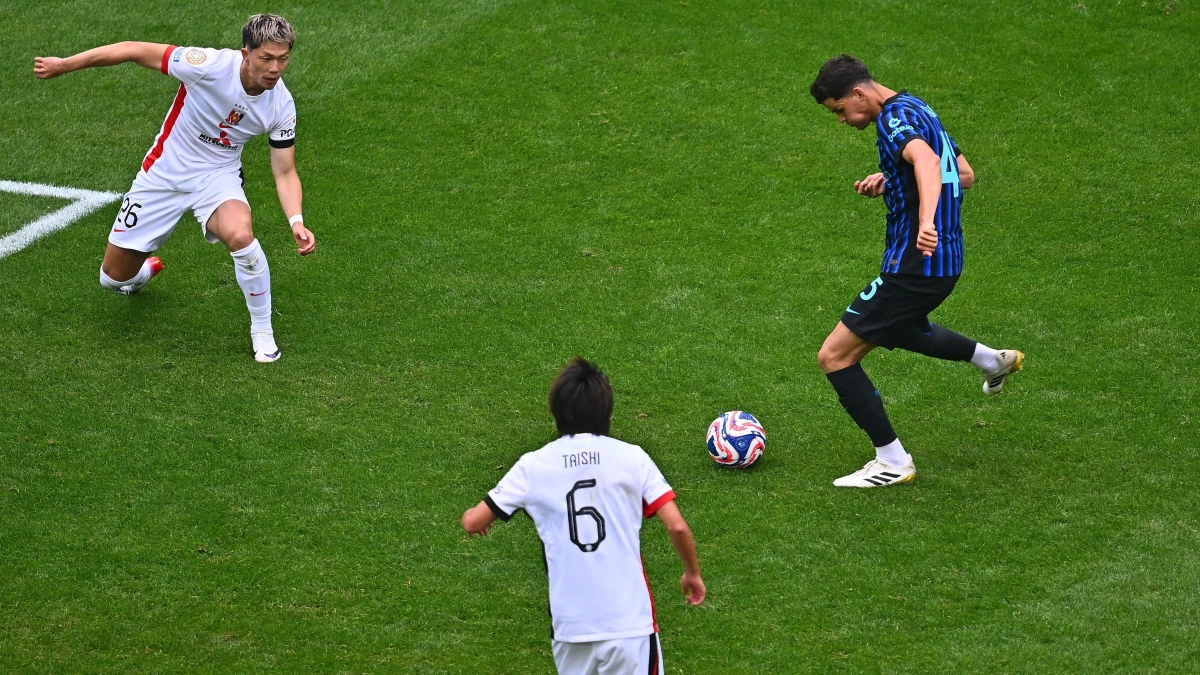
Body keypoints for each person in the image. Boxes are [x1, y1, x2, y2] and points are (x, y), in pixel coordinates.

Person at [33, 14, 315, 363]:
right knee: (112, 278)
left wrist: (296, 220)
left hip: (217, 176)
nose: (275, 68)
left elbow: (285, 171)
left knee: (241, 236)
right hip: (163, 175)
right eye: (266, 58)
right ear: (246, 54)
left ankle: (262, 332)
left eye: (283, 58)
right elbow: (132, 49)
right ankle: (143, 271)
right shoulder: (208, 65)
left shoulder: (281, 105)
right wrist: (65, 65)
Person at [809, 55, 1024, 488]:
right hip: (944, 265)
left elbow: (927, 163)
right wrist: (892, 176)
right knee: (896, 328)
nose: (841, 120)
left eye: (839, 110)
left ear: (858, 93)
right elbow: (962, 173)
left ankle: (892, 461)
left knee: (834, 356)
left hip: (912, 267)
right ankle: (993, 360)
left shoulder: (891, 121)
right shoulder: (917, 106)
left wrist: (926, 221)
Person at [462, 357, 705, 675]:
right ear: (607, 411)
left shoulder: (533, 466)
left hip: (571, 630)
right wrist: (692, 573)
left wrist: (475, 518)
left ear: (556, 411)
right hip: (629, 625)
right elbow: (676, 526)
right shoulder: (633, 458)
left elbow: (474, 522)